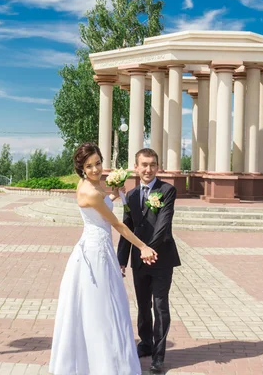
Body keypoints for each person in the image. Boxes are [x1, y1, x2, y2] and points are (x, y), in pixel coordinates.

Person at [49, 142, 158, 375]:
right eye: (89, 166)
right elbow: (117, 224)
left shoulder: (92, 184)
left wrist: (113, 195)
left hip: (101, 247)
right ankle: (104, 364)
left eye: (98, 163)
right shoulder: (88, 191)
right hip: (94, 253)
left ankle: (104, 359)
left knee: (106, 304)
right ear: (81, 169)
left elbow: (104, 205)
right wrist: (143, 246)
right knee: (100, 307)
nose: (96, 169)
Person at [117, 148, 181, 374]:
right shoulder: (132, 195)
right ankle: (145, 343)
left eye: (153, 164)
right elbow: (127, 228)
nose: (148, 169)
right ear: (136, 167)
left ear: (158, 166)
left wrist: (149, 249)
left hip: (162, 258)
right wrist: (121, 260)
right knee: (143, 304)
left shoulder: (167, 190)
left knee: (160, 305)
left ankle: (158, 356)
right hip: (139, 260)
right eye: (144, 164)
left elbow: (164, 225)